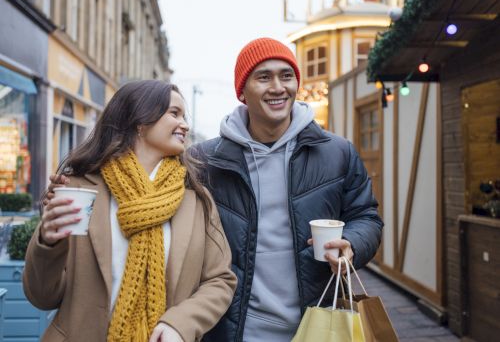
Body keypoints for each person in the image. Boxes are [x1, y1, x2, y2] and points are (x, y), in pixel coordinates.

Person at [192, 38, 384, 341]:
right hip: (236, 329)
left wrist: (352, 244)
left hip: (320, 325)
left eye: (286, 75)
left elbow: (367, 217)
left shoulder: (338, 152)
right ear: (242, 91)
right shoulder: (205, 161)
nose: (278, 87)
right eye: (263, 77)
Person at [24, 80, 237, 342]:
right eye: (174, 113)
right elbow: (42, 296)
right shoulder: (79, 189)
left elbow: (220, 280)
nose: (185, 124)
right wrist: (48, 242)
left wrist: (181, 324)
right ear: (140, 120)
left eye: (184, 116)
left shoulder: (197, 200)